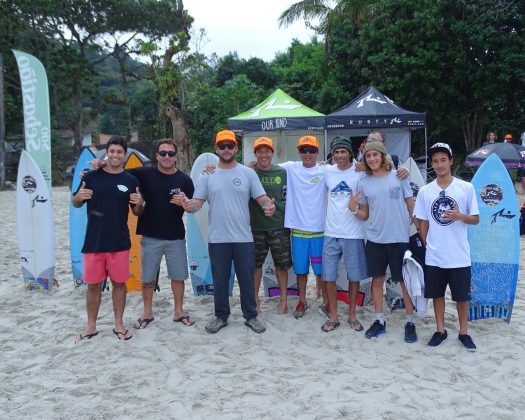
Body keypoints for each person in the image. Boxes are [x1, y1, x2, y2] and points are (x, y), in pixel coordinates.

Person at [182, 130, 275, 334]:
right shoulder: (208, 175)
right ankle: (221, 316)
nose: (226, 149)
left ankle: (251, 316)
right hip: (218, 239)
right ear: (216, 149)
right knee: (220, 280)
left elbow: (262, 198)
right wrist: (188, 205)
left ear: (236, 148)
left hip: (243, 238)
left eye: (230, 145)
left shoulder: (247, 173)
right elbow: (197, 204)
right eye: (222, 146)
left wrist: (269, 206)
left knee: (246, 280)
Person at [73, 136, 144, 342]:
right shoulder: (91, 177)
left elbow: (137, 212)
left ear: (124, 155)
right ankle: (91, 326)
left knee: (119, 284)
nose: (115, 155)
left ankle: (119, 324)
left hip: (119, 242)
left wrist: (141, 203)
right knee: (93, 286)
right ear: (106, 153)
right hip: (94, 242)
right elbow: (76, 202)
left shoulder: (130, 181)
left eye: (119, 152)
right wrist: (78, 197)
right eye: (111, 151)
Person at [413, 142, 480, 350]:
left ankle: (464, 332)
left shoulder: (465, 188)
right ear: (432, 164)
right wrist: (428, 244)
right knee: (437, 295)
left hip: (459, 254)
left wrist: (460, 216)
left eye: (443, 160)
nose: (440, 164)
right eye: (435, 161)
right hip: (435, 255)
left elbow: (476, 219)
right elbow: (421, 222)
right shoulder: (425, 191)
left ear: (451, 161)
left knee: (461, 297)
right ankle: (440, 330)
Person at [353, 141, 418, 342]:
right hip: (375, 239)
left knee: (403, 281)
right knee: (377, 281)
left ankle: (409, 321)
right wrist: (352, 207)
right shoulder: (362, 182)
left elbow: (410, 204)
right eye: (368, 156)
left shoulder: (399, 176)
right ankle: (380, 320)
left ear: (383, 156)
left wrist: (421, 229)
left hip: (399, 238)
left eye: (375, 155)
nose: (372, 159)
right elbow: (364, 215)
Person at [130, 139, 195, 328]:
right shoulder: (144, 173)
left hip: (175, 236)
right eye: (163, 153)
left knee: (179, 276)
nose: (167, 157)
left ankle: (178, 311)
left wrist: (185, 204)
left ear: (176, 157)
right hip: (150, 236)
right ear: (157, 155)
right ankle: (147, 312)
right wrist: (103, 164)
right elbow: (119, 174)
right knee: (148, 278)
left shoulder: (184, 180)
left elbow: (193, 207)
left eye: (171, 153)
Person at [320, 137, 367, 332]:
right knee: (328, 276)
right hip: (330, 232)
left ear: (350, 153)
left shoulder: (360, 172)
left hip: (353, 233)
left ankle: (352, 314)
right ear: (332, 154)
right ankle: (333, 315)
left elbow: (384, 167)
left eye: (343, 152)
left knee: (353, 277)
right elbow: (301, 168)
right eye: (336, 152)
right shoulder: (327, 171)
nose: (339, 156)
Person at [281, 135, 327, 319]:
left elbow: (348, 168)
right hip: (298, 231)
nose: (307, 154)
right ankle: (302, 300)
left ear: (317, 152)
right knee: (300, 270)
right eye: (304, 150)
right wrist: (252, 165)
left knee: (321, 271)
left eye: (311, 150)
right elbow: (266, 166)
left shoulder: (326, 171)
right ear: (299, 152)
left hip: (320, 231)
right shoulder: (290, 167)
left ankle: (325, 302)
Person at [249, 137, 292, 315]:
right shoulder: (248, 172)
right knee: (255, 266)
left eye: (267, 151)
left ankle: (283, 300)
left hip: (278, 227)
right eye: (260, 151)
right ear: (255, 154)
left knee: (281, 266)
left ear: (272, 153)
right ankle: (255, 300)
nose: (264, 154)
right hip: (255, 227)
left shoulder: (282, 172)